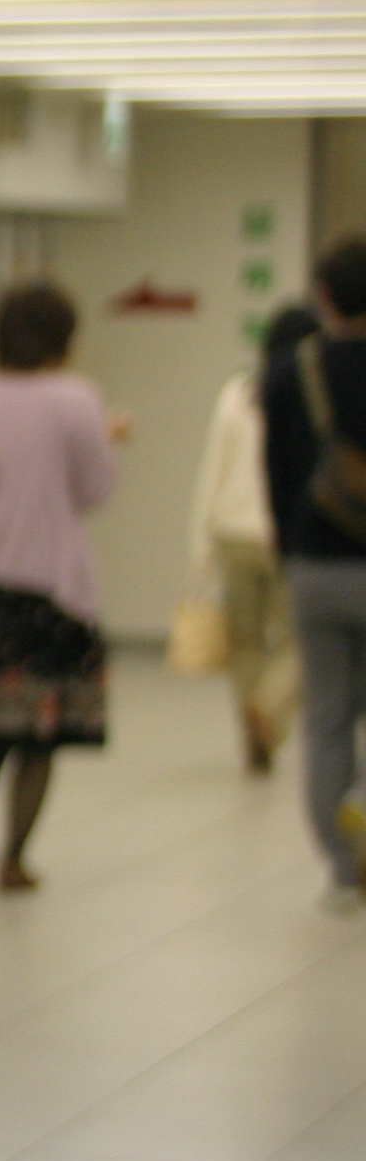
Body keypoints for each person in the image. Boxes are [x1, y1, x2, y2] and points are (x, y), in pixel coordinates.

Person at [0, 279, 124, 893]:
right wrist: (106, 438)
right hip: (49, 589)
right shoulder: (75, 399)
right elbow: (95, 489)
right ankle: (14, 860)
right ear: (63, 338)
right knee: (40, 731)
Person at [266, 241, 366, 912]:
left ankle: (343, 862)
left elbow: (275, 478)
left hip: (315, 567)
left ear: (324, 295)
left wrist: (289, 557)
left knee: (327, 717)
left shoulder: (289, 373)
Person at [186, 310, 303, 773]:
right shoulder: (312, 395)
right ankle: (268, 711)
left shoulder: (237, 394)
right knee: (299, 641)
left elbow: (211, 471)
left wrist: (200, 545)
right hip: (286, 537)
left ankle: (253, 737)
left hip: (232, 535)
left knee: (246, 645)